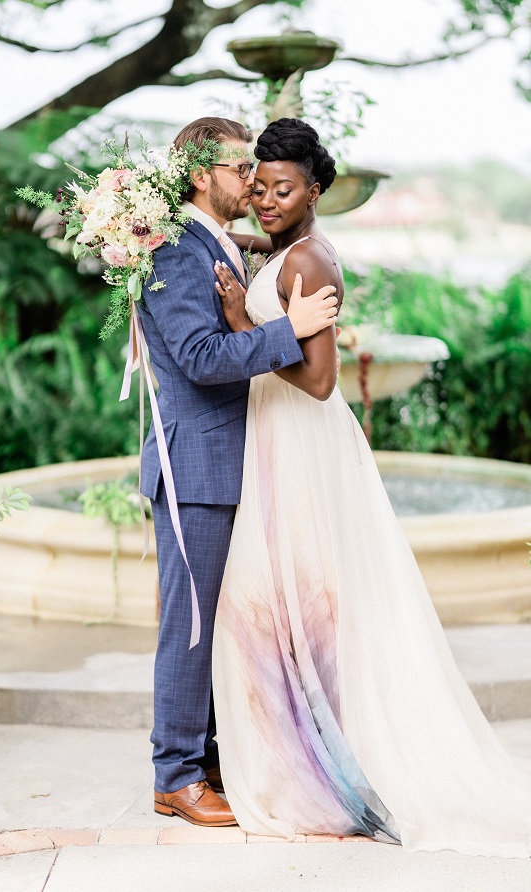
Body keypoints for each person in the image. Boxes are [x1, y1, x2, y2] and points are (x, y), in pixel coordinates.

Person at [211, 117, 531, 857]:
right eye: (257, 187)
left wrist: (237, 327)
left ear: (316, 191)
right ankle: (311, 763)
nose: (264, 200)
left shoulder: (310, 265)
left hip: (300, 438)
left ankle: (323, 778)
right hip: (279, 438)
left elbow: (321, 382)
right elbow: (273, 262)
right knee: (275, 609)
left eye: (282, 189)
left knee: (292, 608)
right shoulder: (288, 250)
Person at [138, 117, 339, 828]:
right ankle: (177, 776)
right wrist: (293, 327)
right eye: (238, 166)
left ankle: (213, 756)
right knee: (190, 630)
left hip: (234, 464)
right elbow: (199, 357)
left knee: (226, 627)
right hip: (196, 466)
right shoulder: (168, 251)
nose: (251, 179)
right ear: (199, 175)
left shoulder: (211, 241)